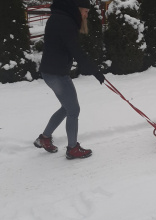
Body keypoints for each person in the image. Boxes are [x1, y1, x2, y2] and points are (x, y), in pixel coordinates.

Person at [33, 0, 105, 159]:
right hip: (57, 74)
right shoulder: (66, 22)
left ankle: (44, 138)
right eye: (85, 11)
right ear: (78, 9)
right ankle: (72, 148)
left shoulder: (59, 17)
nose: (86, 14)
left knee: (67, 108)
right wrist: (95, 71)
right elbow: (75, 50)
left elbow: (67, 47)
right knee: (73, 110)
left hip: (52, 71)